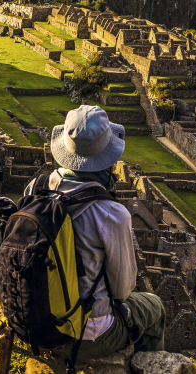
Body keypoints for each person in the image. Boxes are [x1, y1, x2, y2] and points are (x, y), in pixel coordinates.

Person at [23, 105, 165, 370]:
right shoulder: (111, 214)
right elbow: (123, 290)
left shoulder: (36, 188)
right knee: (154, 308)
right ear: (107, 159)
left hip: (30, 320)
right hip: (84, 334)